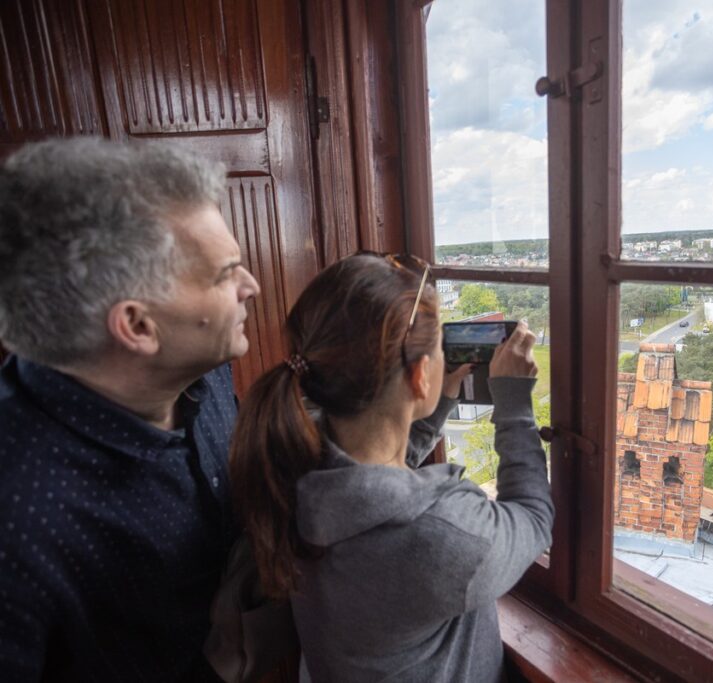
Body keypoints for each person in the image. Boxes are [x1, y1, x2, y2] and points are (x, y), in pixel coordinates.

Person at [0, 138, 260, 681]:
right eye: (224, 274)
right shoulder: (19, 522)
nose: (250, 286)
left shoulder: (199, 364)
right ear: (138, 327)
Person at [229, 253, 553, 682]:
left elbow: (373, 475)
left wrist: (438, 402)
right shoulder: (440, 533)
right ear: (420, 376)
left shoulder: (291, 466)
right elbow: (533, 516)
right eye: (438, 349)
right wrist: (513, 400)